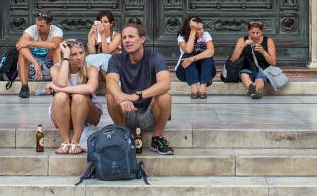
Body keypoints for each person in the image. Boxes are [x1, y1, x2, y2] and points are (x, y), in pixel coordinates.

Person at [106, 23, 174, 155]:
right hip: (126, 111)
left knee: (164, 96)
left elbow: (165, 83)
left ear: (142, 39)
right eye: (124, 38)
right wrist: (120, 97)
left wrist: (137, 96)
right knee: (111, 96)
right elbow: (111, 81)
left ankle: (157, 138)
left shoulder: (155, 58)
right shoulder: (116, 59)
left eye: (131, 36)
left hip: (151, 113)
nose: (127, 40)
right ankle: (124, 135)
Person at [46, 40, 102, 154]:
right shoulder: (55, 69)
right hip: (62, 114)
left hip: (88, 115)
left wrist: (59, 89)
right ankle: (66, 141)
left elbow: (90, 88)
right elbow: (61, 82)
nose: (79, 57)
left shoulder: (91, 69)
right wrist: (65, 57)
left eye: (81, 53)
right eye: (73, 54)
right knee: (60, 97)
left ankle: (75, 141)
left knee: (78, 97)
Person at [15, 10, 64, 99]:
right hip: (31, 68)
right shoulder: (31, 29)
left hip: (49, 69)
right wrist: (35, 62)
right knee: (22, 51)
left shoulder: (56, 31)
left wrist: (29, 43)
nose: (38, 28)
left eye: (41, 26)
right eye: (37, 25)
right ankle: (24, 87)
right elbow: (19, 45)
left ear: (50, 24)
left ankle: (56, 86)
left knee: (57, 49)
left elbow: (53, 45)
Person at [228, 21, 277, 99]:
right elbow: (233, 59)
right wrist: (243, 45)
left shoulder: (268, 41)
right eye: (252, 33)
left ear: (262, 32)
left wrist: (263, 52)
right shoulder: (242, 40)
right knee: (244, 74)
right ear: (248, 32)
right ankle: (256, 91)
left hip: (263, 69)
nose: (255, 35)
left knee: (260, 78)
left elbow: (273, 63)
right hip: (247, 67)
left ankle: (254, 91)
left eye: (258, 33)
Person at [175, 17, 215, 99]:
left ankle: (203, 86)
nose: (202, 31)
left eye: (203, 28)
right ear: (191, 29)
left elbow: (211, 51)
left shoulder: (206, 35)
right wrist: (193, 32)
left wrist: (192, 59)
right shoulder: (181, 37)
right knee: (187, 55)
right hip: (184, 72)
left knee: (207, 56)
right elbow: (188, 50)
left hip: (205, 72)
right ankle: (193, 87)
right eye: (199, 29)